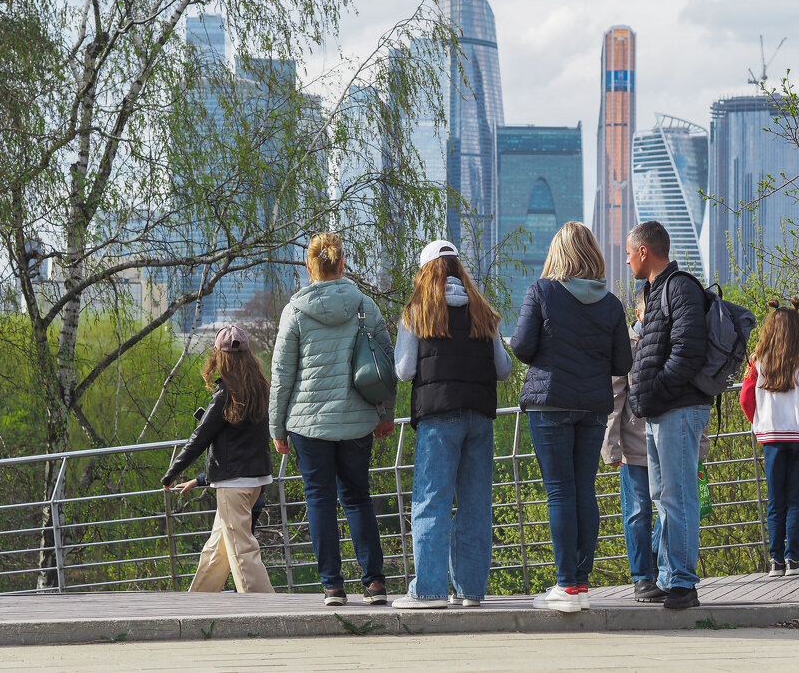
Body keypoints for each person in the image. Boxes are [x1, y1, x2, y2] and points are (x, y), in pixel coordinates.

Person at [269, 232, 396, 607]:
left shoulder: (294, 311)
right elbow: (386, 363)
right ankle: (374, 584)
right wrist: (385, 415)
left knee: (319, 500)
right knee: (358, 498)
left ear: (309, 266)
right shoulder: (365, 306)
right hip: (358, 421)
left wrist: (276, 429)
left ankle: (333, 588)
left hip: (308, 425)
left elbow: (281, 377)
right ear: (341, 265)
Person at [512, 222, 632, 613]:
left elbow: (522, 347)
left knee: (560, 491)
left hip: (550, 404)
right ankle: (579, 583)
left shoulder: (541, 291)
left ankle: (565, 585)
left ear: (557, 254)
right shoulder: (612, 303)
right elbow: (622, 362)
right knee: (584, 491)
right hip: (593, 406)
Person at [390, 240, 512, 610]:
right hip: (479, 416)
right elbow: (504, 369)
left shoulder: (417, 312)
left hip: (438, 416)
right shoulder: (482, 311)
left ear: (425, 271)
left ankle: (428, 590)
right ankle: (471, 591)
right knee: (475, 503)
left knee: (431, 502)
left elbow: (405, 369)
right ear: (459, 270)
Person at [624, 220, 712, 610]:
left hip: (677, 408)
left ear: (645, 252)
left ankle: (683, 582)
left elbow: (687, 351)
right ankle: (667, 576)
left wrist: (656, 388)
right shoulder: (654, 291)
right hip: (660, 411)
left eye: (629, 253)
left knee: (678, 497)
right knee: (663, 496)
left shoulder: (680, 287)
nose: (626, 261)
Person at [602, 291, 711, 602]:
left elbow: (693, 395)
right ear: (639, 315)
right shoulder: (627, 345)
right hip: (634, 446)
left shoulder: (671, 343)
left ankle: (659, 570)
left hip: (668, 444)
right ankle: (642, 577)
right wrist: (611, 446)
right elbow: (614, 397)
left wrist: (699, 445)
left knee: (668, 511)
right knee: (637, 512)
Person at [162, 325, 275, 593]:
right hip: (255, 479)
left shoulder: (225, 395)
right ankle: (198, 601)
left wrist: (172, 472)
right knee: (218, 548)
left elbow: (199, 439)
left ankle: (265, 607)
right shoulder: (260, 388)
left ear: (218, 356)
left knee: (241, 550)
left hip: (233, 484)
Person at [739, 298, 799, 578]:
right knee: (798, 498)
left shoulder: (757, 360)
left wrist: (757, 422)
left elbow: (745, 397)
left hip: (772, 437)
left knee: (775, 499)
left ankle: (775, 561)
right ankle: (793, 558)